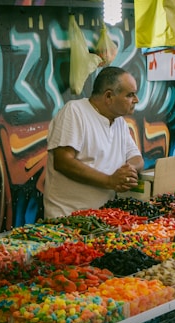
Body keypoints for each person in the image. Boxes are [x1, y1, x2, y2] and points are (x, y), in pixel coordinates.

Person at [43, 66, 144, 218]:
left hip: (103, 217)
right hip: (67, 219)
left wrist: (128, 170)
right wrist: (110, 181)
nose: (136, 100)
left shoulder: (119, 122)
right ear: (109, 96)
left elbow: (136, 158)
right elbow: (63, 161)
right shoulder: (74, 111)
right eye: (130, 95)